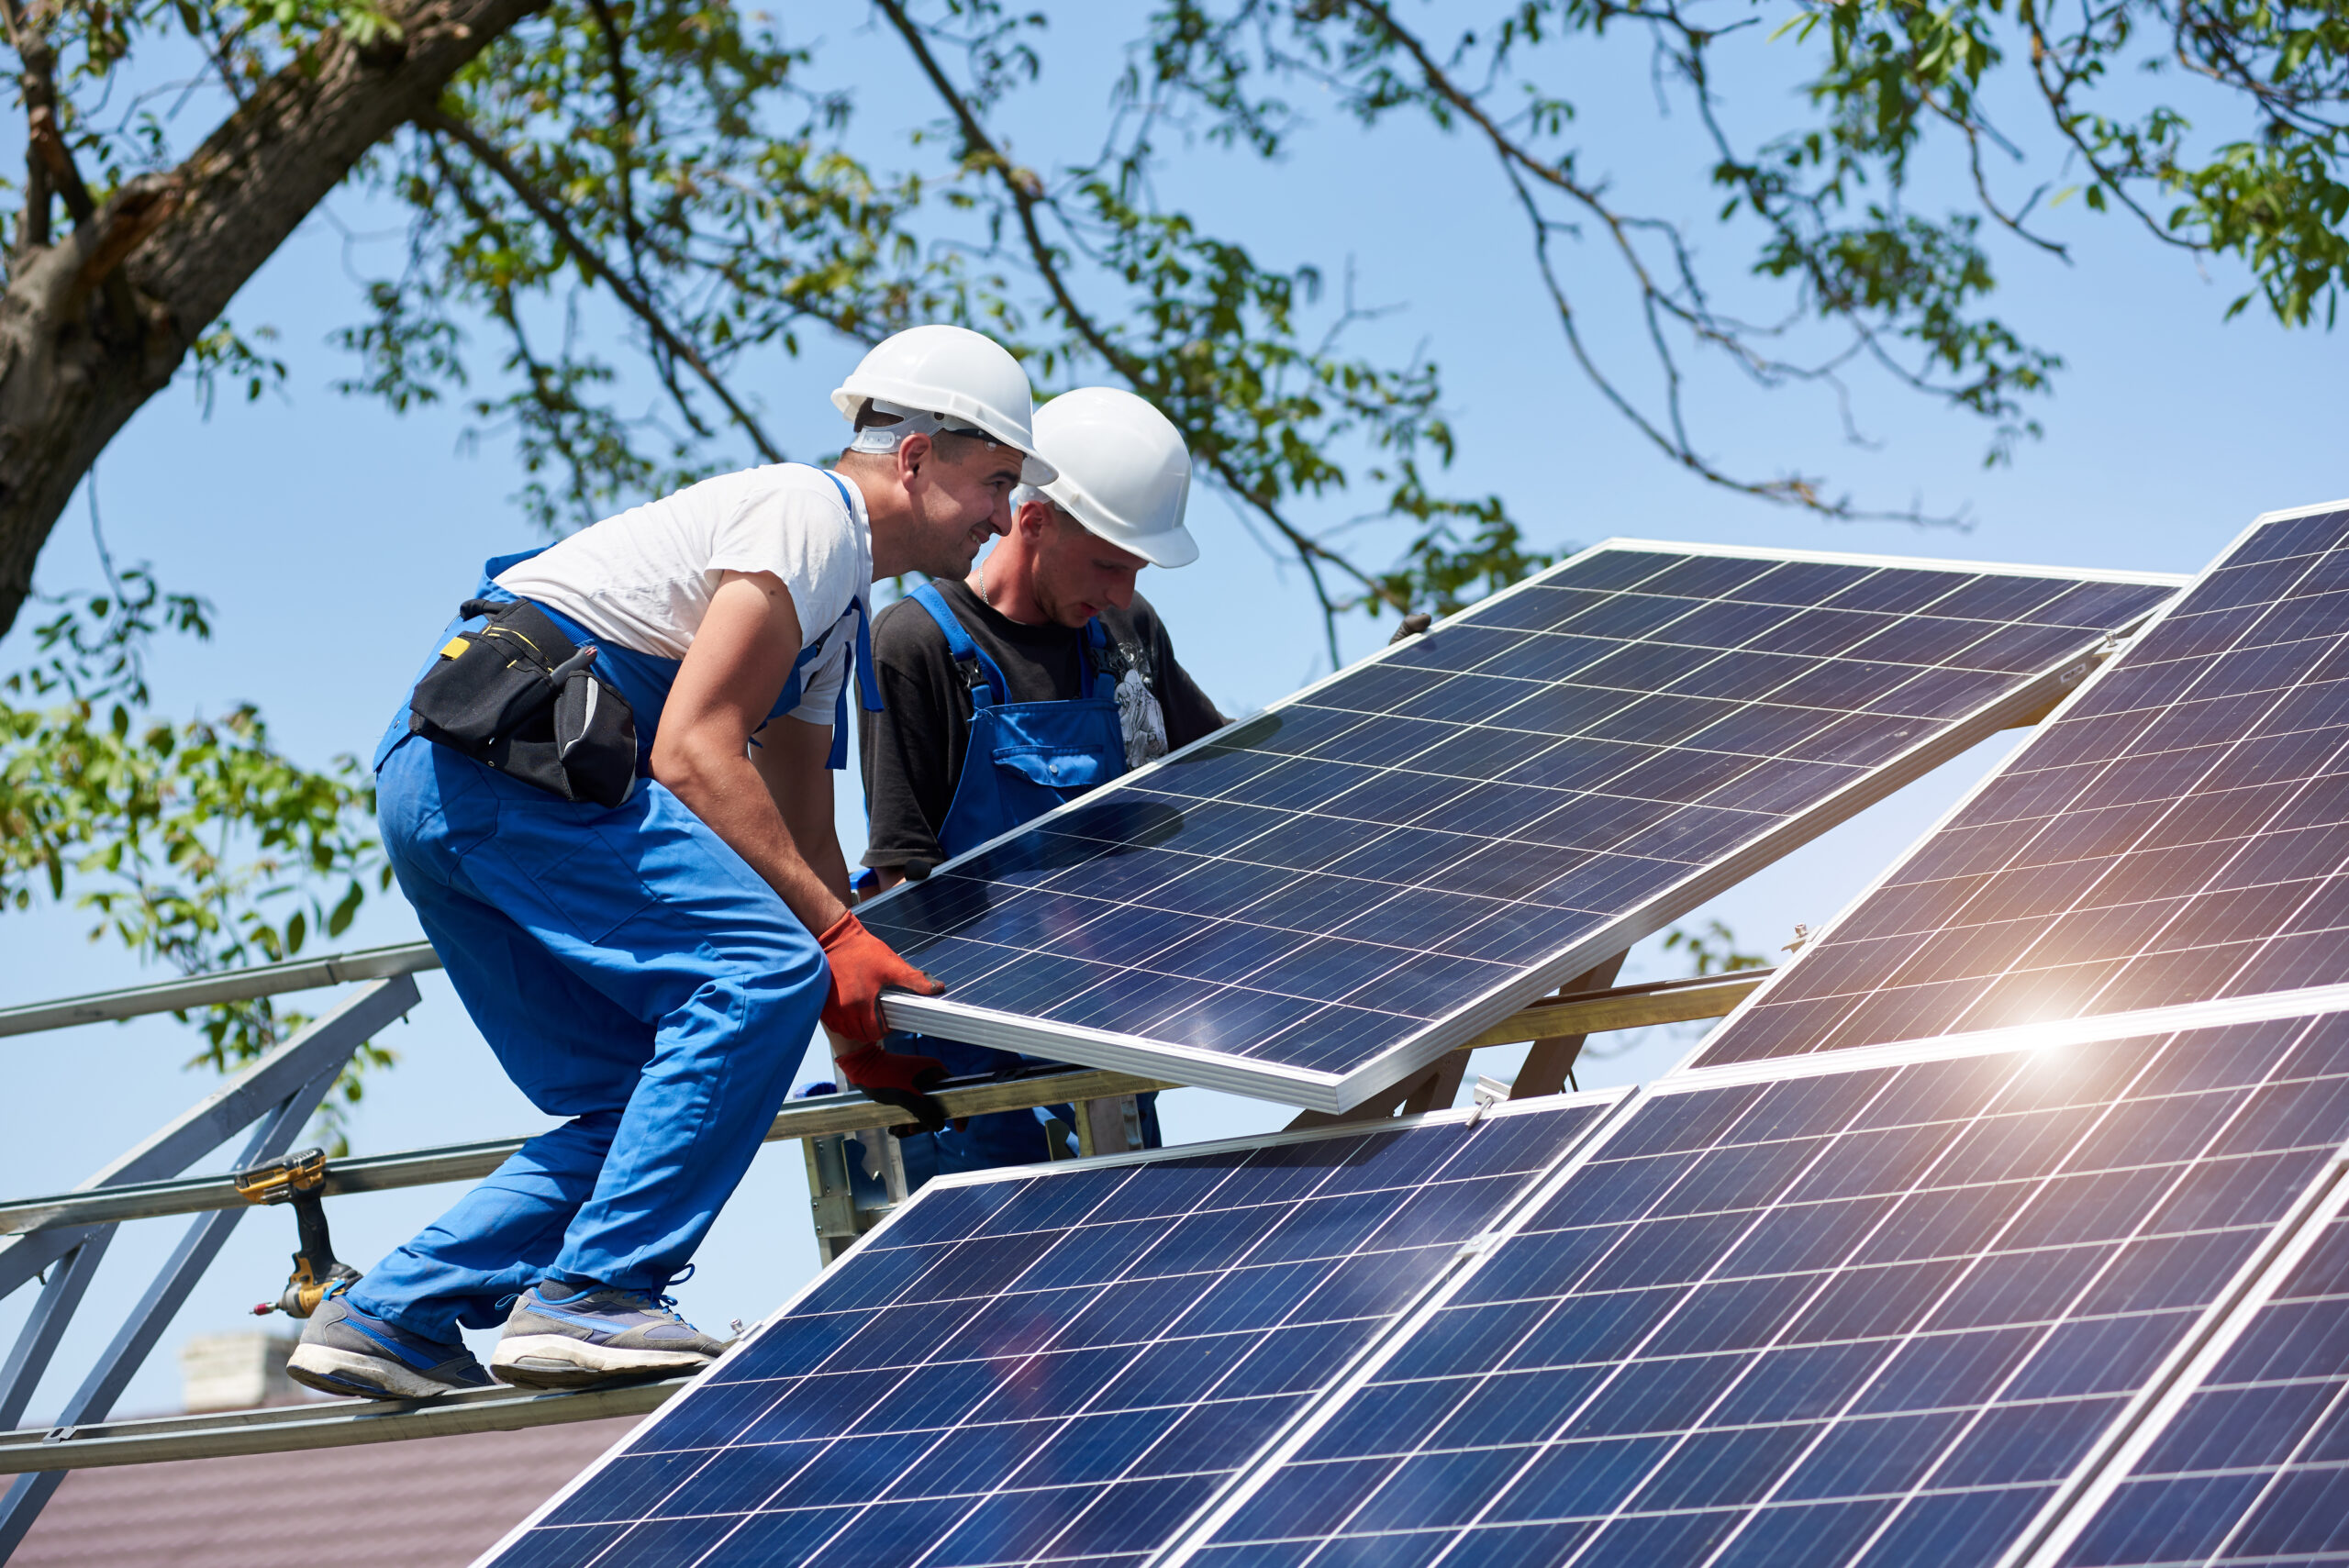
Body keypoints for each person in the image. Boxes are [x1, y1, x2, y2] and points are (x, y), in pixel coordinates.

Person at [288, 325, 1052, 1401]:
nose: (998, 513)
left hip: (445, 783)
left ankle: (391, 1313)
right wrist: (824, 948)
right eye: (995, 480)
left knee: (641, 1101)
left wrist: (846, 1004)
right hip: (523, 775)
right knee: (750, 979)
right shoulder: (808, 518)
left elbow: (796, 815)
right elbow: (695, 751)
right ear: (916, 457)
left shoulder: (832, 612)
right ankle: (595, 1291)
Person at [853, 385, 1226, 1181]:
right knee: (1005, 1296)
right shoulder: (916, 643)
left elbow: (1228, 782)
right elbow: (899, 881)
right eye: (1107, 564)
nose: (1123, 593)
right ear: (1033, 521)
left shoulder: (1128, 633)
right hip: (976, 1077)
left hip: (1110, 1038)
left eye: (1136, 570)